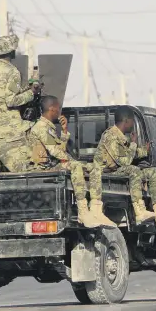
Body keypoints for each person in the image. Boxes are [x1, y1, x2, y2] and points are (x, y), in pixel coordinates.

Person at [90, 107, 156, 227]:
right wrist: (133, 143)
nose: (133, 125)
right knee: (134, 170)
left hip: (117, 170)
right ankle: (140, 212)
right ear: (126, 121)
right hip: (106, 172)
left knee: (153, 172)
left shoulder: (121, 137)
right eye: (132, 121)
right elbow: (125, 162)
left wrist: (144, 151)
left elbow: (129, 154)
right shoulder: (110, 136)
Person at [28, 96, 107, 228]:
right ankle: (83, 210)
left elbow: (59, 149)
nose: (59, 111)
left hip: (52, 164)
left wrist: (64, 131)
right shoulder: (41, 127)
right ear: (52, 108)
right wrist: (71, 160)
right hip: (43, 168)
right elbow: (55, 152)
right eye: (58, 108)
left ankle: (96, 209)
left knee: (93, 167)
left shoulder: (49, 127)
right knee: (76, 166)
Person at [0, 34, 41, 174]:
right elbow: (11, 100)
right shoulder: (12, 71)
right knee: (28, 175)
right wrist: (31, 93)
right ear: (11, 51)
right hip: (10, 137)